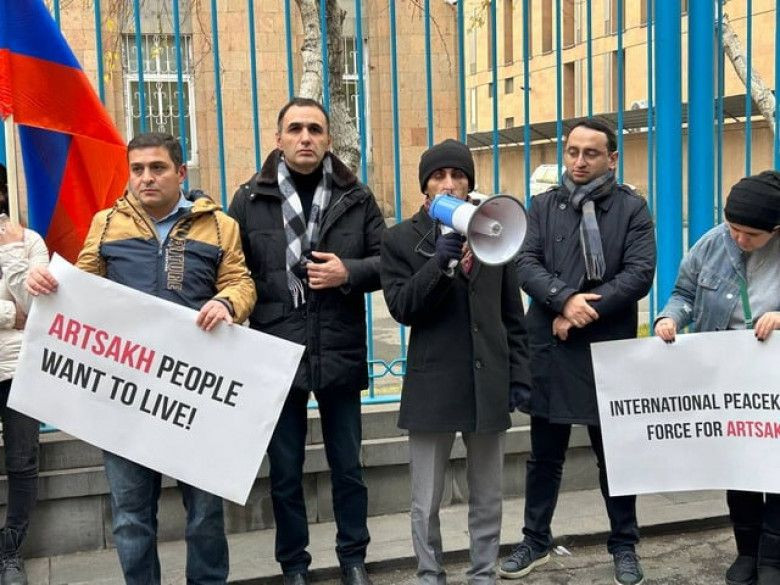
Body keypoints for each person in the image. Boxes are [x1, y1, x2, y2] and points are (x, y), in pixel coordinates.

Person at [26, 132, 256, 585]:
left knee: (205, 515)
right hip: (125, 396)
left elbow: (241, 281)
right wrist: (47, 280)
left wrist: (227, 302)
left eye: (158, 168)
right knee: (131, 517)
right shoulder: (107, 224)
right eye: (137, 169)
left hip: (192, 395)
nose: (146, 178)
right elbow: (81, 287)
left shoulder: (219, 225)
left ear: (180, 173)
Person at [228, 98, 385, 585]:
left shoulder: (356, 197)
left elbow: (388, 262)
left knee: (348, 467)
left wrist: (347, 271)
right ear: (278, 139)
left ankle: (353, 558)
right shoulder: (248, 199)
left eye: (315, 129)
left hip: (338, 346)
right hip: (276, 351)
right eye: (295, 129)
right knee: (285, 471)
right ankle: (294, 565)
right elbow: (232, 270)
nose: (305, 138)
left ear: (328, 139)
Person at [500, 119, 656, 585]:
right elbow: (525, 262)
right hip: (551, 347)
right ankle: (535, 541)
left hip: (607, 350)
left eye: (591, 153)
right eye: (573, 152)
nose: (580, 161)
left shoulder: (632, 209)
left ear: (612, 158)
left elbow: (639, 273)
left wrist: (583, 311)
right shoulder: (543, 206)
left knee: (615, 458)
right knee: (544, 457)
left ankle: (624, 545)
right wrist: (563, 299)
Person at [380, 139, 532, 585]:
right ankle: (430, 572)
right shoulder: (400, 239)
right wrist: (437, 266)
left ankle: (482, 572)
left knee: (487, 494)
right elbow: (402, 307)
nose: (449, 184)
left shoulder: (493, 230)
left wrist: (519, 374)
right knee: (426, 498)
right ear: (425, 187)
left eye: (458, 176)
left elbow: (511, 314)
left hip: (487, 382)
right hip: (433, 385)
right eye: (439, 176)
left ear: (469, 184)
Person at [654, 171, 780, 585]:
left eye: (752, 235)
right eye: (733, 228)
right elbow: (684, 294)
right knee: (739, 467)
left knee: (776, 468)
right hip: (728, 376)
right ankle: (746, 552)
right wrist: (670, 318)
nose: (739, 239)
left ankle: (773, 560)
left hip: (773, 378)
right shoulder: (712, 243)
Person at [0, 164, 49, 585]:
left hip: (19, 368)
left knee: (22, 462)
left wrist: (13, 252)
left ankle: (11, 552)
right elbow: (16, 312)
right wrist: (7, 315)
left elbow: (36, 308)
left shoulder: (29, 241)